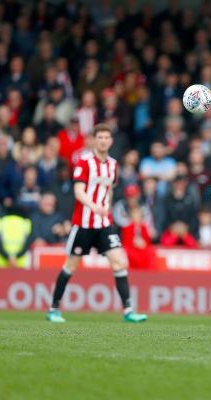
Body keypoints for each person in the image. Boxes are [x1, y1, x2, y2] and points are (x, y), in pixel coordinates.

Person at [46, 124, 147, 323]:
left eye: (106, 137)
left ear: (110, 141)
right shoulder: (84, 163)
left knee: (119, 261)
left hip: (104, 224)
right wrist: (94, 207)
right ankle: (53, 308)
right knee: (70, 265)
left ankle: (128, 311)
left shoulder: (113, 165)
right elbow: (79, 192)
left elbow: (108, 189)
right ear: (94, 140)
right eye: (99, 137)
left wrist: (106, 209)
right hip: (83, 223)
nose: (103, 141)